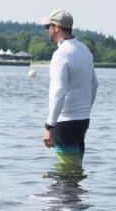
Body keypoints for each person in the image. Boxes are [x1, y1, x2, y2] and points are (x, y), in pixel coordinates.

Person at [40, 9, 98, 169]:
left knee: (67, 172)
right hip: (82, 121)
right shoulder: (84, 50)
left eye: (48, 27)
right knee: (75, 170)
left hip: (65, 122)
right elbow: (94, 85)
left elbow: (59, 91)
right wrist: (85, 113)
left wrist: (49, 126)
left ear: (56, 27)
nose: (47, 31)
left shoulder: (61, 53)